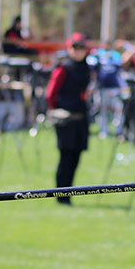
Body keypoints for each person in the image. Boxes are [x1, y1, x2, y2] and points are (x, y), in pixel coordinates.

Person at [45, 35, 92, 205]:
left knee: (75, 157)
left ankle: (68, 192)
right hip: (66, 119)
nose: (79, 52)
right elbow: (51, 93)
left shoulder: (85, 67)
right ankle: (60, 194)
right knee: (65, 157)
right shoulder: (63, 68)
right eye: (75, 47)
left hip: (81, 118)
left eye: (82, 48)